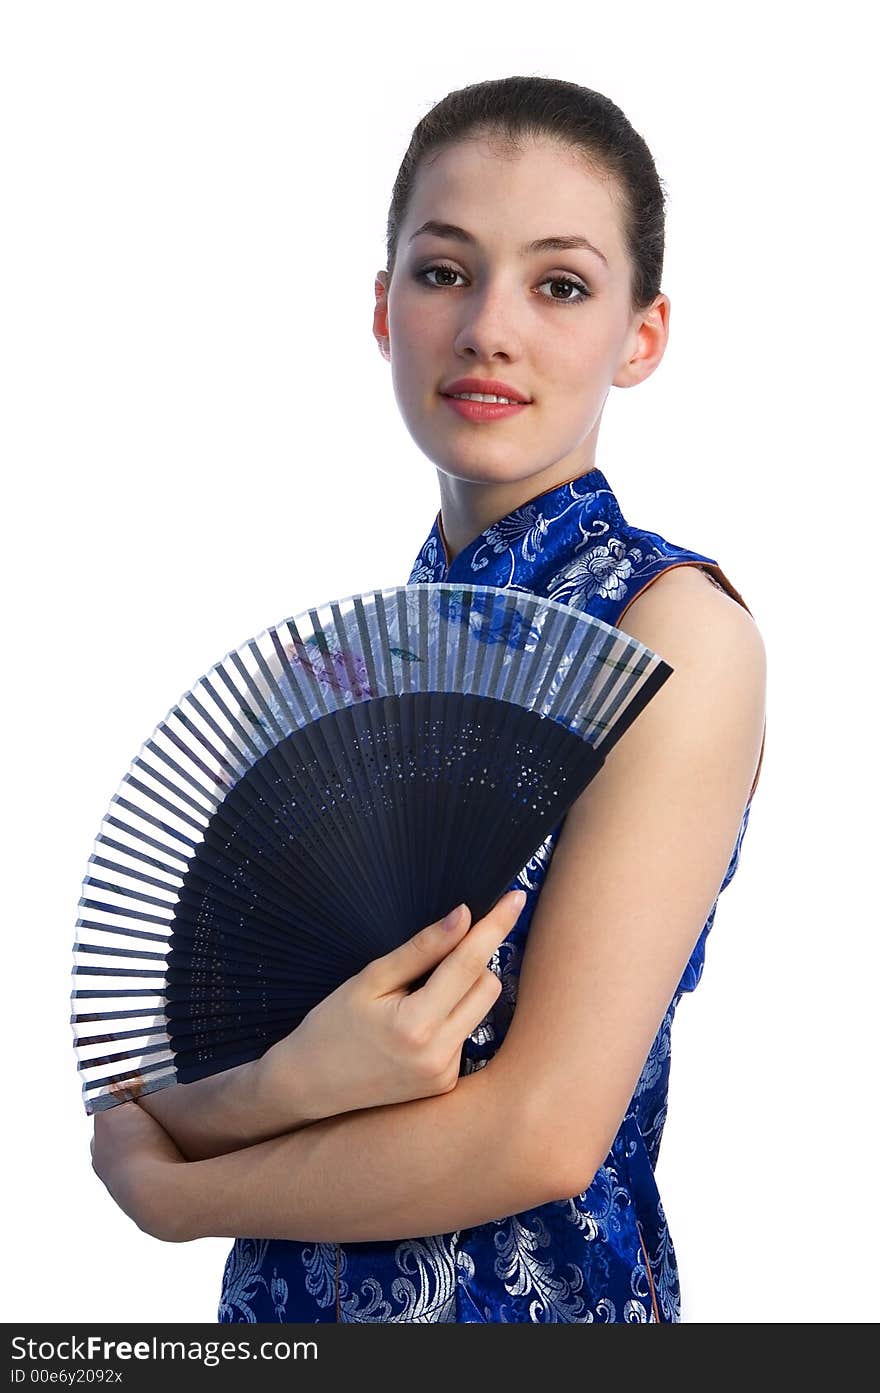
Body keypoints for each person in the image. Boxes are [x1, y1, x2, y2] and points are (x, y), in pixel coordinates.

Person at [90, 74, 767, 1324]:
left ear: (642, 334)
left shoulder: (674, 633)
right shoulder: (328, 677)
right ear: (383, 308)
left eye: (558, 285)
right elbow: (163, 1090)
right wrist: (288, 1085)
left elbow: (546, 1133)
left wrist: (180, 1192)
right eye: (445, 272)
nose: (488, 329)